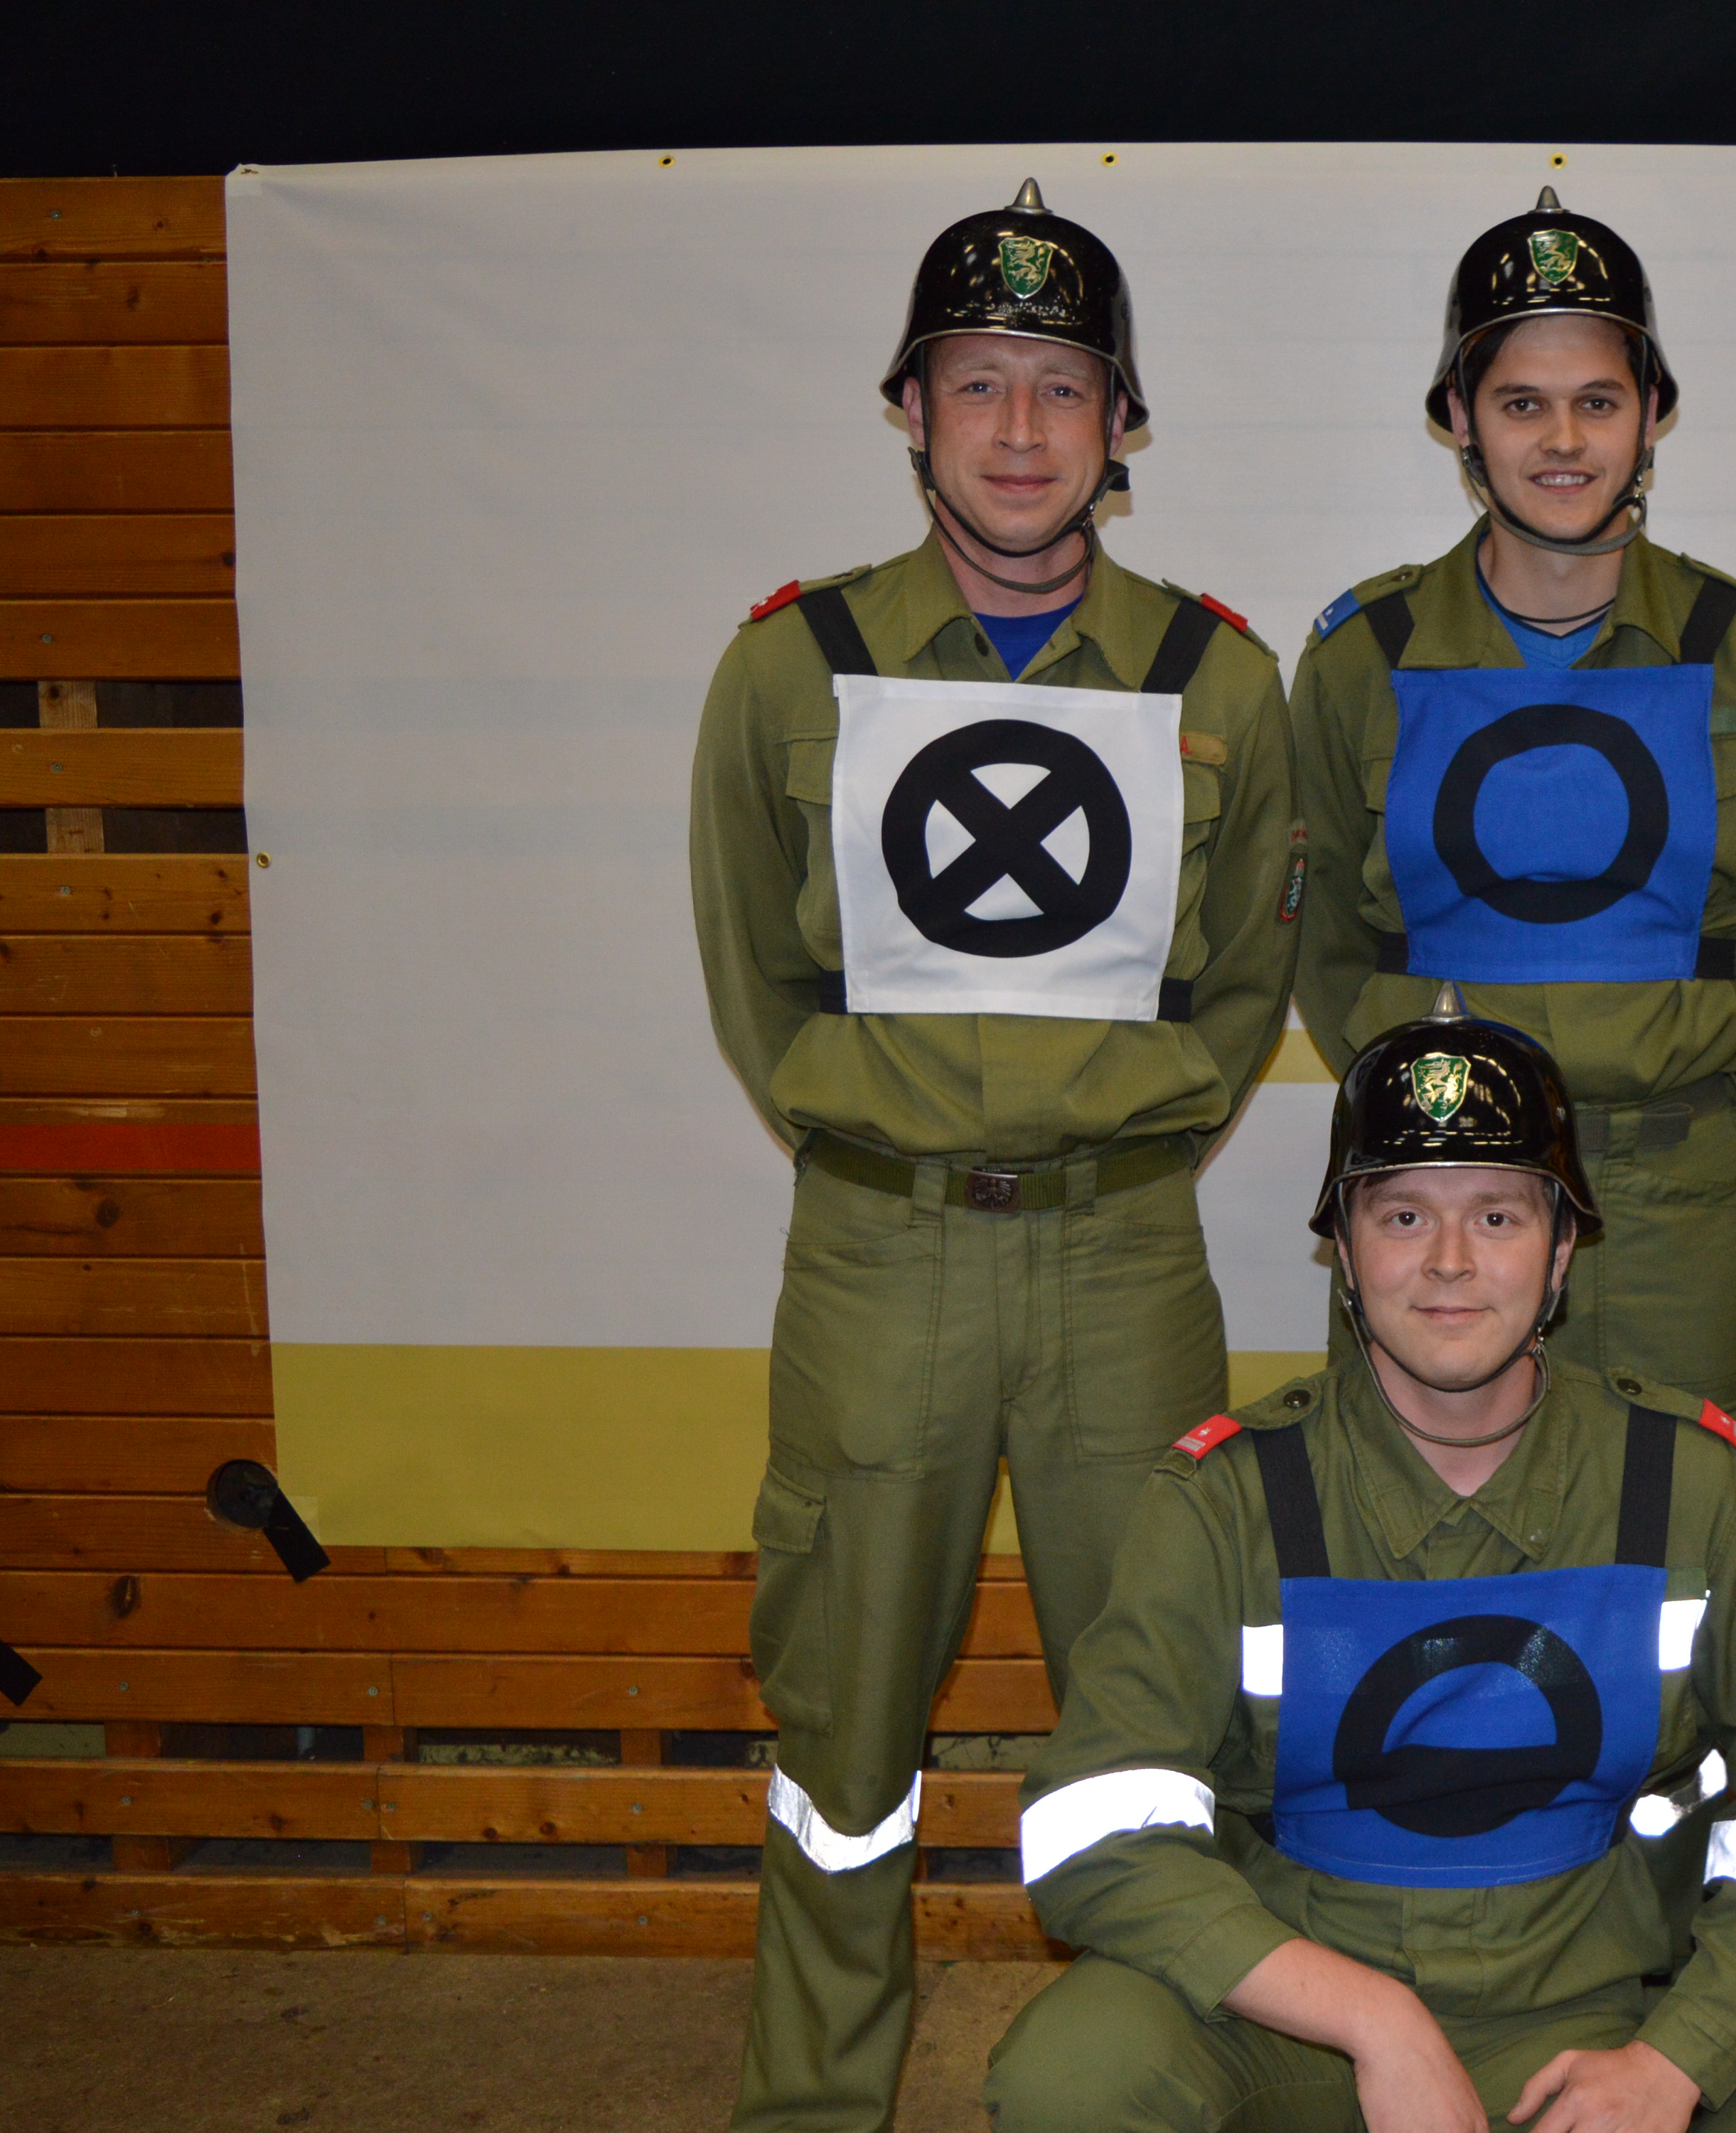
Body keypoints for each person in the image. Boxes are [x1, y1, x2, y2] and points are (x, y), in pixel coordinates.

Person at [687, 178, 1297, 2132]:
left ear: (1123, 423)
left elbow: (1245, 984)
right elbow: (757, 975)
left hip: (1126, 1256)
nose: (1020, 430)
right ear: (910, 407)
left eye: (1063, 386)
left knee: (1161, 1718)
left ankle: (1153, 2092)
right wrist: (911, 1125)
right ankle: (813, 2109)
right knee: (843, 1728)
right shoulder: (793, 668)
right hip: (880, 1260)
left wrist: (1102, 1127)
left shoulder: (1217, 680)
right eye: (977, 382)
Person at [985, 988, 1736, 2133]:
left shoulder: (1691, 1486)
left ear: (1563, 1251)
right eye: (1404, 1216)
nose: (1450, 1264)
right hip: (1298, 2016)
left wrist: (1678, 2057)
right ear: (1344, 1253)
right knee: (1073, 2078)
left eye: (1498, 1217)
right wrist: (1374, 2019)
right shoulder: (1230, 1500)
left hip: (1598, 2021)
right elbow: (1093, 1829)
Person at [1290, 186, 1736, 1430]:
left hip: (1672, 1195)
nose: (1562, 441)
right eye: (1520, 403)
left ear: (1652, 414)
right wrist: (1431, 1111)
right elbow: (1320, 932)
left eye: (1598, 402)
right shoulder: (1361, 656)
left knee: (1683, 1515)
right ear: (1459, 418)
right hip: (1430, 1184)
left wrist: (1670, 1094)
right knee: (1407, 1511)